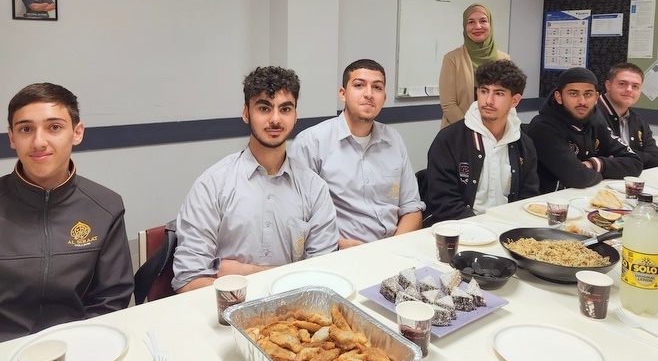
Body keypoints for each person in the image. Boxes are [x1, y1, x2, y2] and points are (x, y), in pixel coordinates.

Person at [172, 66, 338, 293]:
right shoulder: (212, 185)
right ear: (246, 113)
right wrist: (286, 277)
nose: (275, 119)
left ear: (295, 115)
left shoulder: (314, 189)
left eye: (285, 109)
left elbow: (322, 278)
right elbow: (188, 281)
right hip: (226, 317)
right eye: (264, 108)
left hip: (294, 318)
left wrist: (242, 272)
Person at [0, 83, 134, 342]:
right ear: (12, 138)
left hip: (76, 346)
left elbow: (111, 300)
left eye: (54, 127)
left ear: (77, 133)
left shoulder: (106, 206)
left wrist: (77, 346)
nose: (39, 142)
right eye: (26, 129)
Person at [289, 59, 424, 249]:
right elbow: (297, 218)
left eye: (377, 87)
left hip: (394, 249)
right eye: (359, 85)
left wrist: (393, 249)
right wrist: (339, 245)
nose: (369, 94)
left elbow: (412, 208)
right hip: (339, 252)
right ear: (342, 94)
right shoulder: (312, 142)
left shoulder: (393, 140)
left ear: (384, 98)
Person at [425, 59, 539, 222]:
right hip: (461, 230)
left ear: (515, 100)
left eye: (499, 93)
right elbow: (444, 204)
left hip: (508, 230)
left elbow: (528, 199)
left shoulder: (524, 145)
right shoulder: (449, 140)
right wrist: (484, 227)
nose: (488, 101)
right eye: (484, 91)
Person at [526, 67, 643, 193]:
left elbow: (635, 163)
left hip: (585, 196)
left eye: (588, 94)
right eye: (573, 94)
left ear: (596, 97)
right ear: (559, 97)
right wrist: (604, 172)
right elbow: (577, 177)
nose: (582, 101)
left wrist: (594, 164)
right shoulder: (543, 126)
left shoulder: (596, 122)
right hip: (547, 202)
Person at [439, 3, 510, 128]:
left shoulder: (504, 59)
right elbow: (448, 104)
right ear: (465, 27)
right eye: (471, 22)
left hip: (496, 131)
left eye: (483, 21)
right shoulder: (452, 59)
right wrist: (472, 130)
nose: (477, 26)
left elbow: (507, 99)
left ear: (490, 25)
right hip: (460, 132)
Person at [595, 62, 658, 168]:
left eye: (635, 86)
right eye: (622, 84)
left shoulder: (638, 121)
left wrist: (622, 158)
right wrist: (632, 159)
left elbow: (654, 158)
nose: (629, 90)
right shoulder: (590, 115)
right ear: (608, 85)